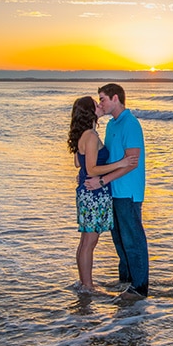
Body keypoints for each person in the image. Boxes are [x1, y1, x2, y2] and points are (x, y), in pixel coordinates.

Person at [84, 83, 149, 301]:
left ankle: (140, 288)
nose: (100, 103)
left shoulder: (130, 124)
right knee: (119, 240)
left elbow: (131, 163)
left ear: (115, 98)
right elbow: (108, 158)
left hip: (128, 191)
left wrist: (102, 180)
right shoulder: (112, 125)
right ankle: (127, 281)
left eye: (102, 99)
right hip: (113, 190)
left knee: (133, 239)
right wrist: (98, 115)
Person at [68, 96, 138, 293]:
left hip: (88, 191)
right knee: (90, 241)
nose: (100, 106)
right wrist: (120, 163)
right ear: (90, 112)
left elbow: (78, 163)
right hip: (93, 193)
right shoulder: (90, 135)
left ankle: (84, 283)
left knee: (86, 241)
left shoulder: (83, 134)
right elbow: (91, 169)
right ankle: (87, 285)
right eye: (96, 105)